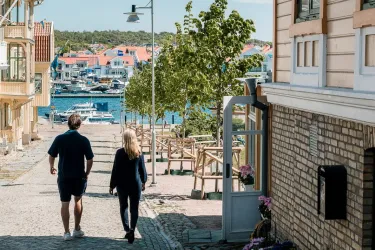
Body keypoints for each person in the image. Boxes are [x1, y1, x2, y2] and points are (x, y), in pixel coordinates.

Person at [48, 114, 94, 241]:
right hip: (79, 176)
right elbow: (90, 159)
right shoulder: (84, 140)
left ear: (68, 124)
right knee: (78, 201)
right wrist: (87, 173)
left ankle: (66, 232)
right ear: (79, 125)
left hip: (63, 176)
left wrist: (51, 166)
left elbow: (52, 155)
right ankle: (77, 229)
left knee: (64, 203)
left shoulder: (60, 139)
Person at [109, 129, 147, 244]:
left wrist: (112, 185)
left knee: (123, 206)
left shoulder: (120, 152)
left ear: (124, 139)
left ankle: (126, 229)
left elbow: (115, 169)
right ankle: (132, 229)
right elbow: (142, 170)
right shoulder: (138, 153)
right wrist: (144, 181)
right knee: (134, 208)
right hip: (135, 183)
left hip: (122, 184)